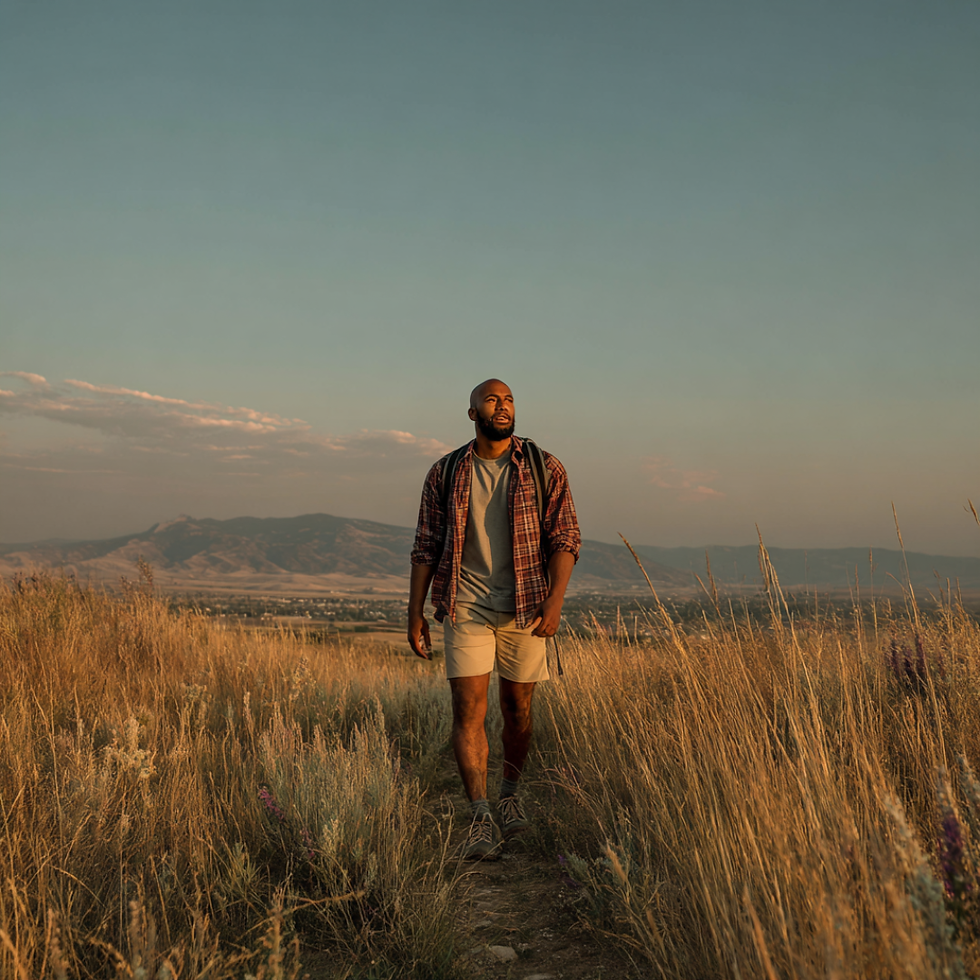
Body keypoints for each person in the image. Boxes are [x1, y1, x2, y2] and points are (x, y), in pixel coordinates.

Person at [408, 379, 581, 860]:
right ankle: (480, 816)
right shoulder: (445, 473)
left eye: (508, 400)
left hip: (526, 605)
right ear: (472, 413)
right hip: (466, 604)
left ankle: (509, 794)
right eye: (491, 400)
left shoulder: (543, 467)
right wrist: (415, 612)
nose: (501, 407)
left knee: (518, 711)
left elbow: (565, 537)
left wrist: (555, 600)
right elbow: (426, 546)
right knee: (469, 710)